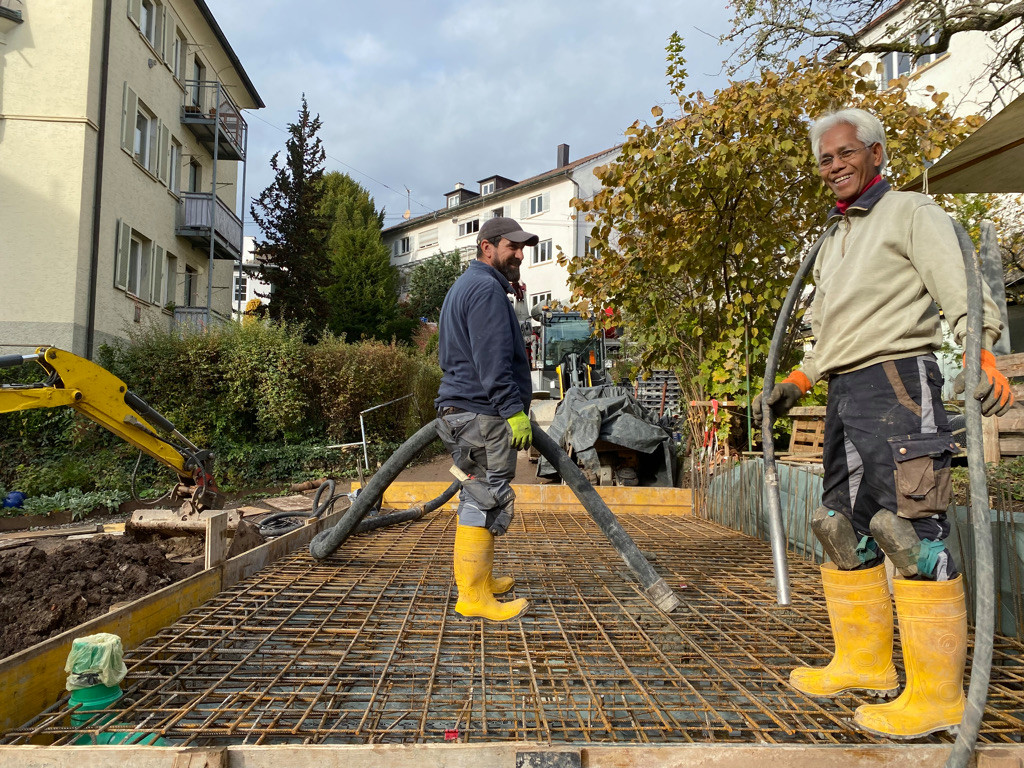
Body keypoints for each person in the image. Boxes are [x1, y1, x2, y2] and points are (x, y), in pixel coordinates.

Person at [754, 108, 1015, 738]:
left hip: (898, 381)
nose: (835, 165)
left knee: (911, 527)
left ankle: (936, 696)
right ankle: (864, 662)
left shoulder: (912, 213)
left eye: (847, 153)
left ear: (876, 154)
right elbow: (837, 329)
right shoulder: (836, 237)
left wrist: (981, 347)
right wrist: (801, 379)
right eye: (825, 158)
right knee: (842, 526)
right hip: (846, 391)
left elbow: (961, 287)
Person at [435, 216, 538, 623]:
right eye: (512, 246)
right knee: (486, 497)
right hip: (482, 413)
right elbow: (493, 362)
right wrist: (513, 412)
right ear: (487, 247)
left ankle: (482, 578)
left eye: (522, 247)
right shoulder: (486, 292)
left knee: (479, 493)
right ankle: (473, 595)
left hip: (465, 411)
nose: (519, 254)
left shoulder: (467, 287)